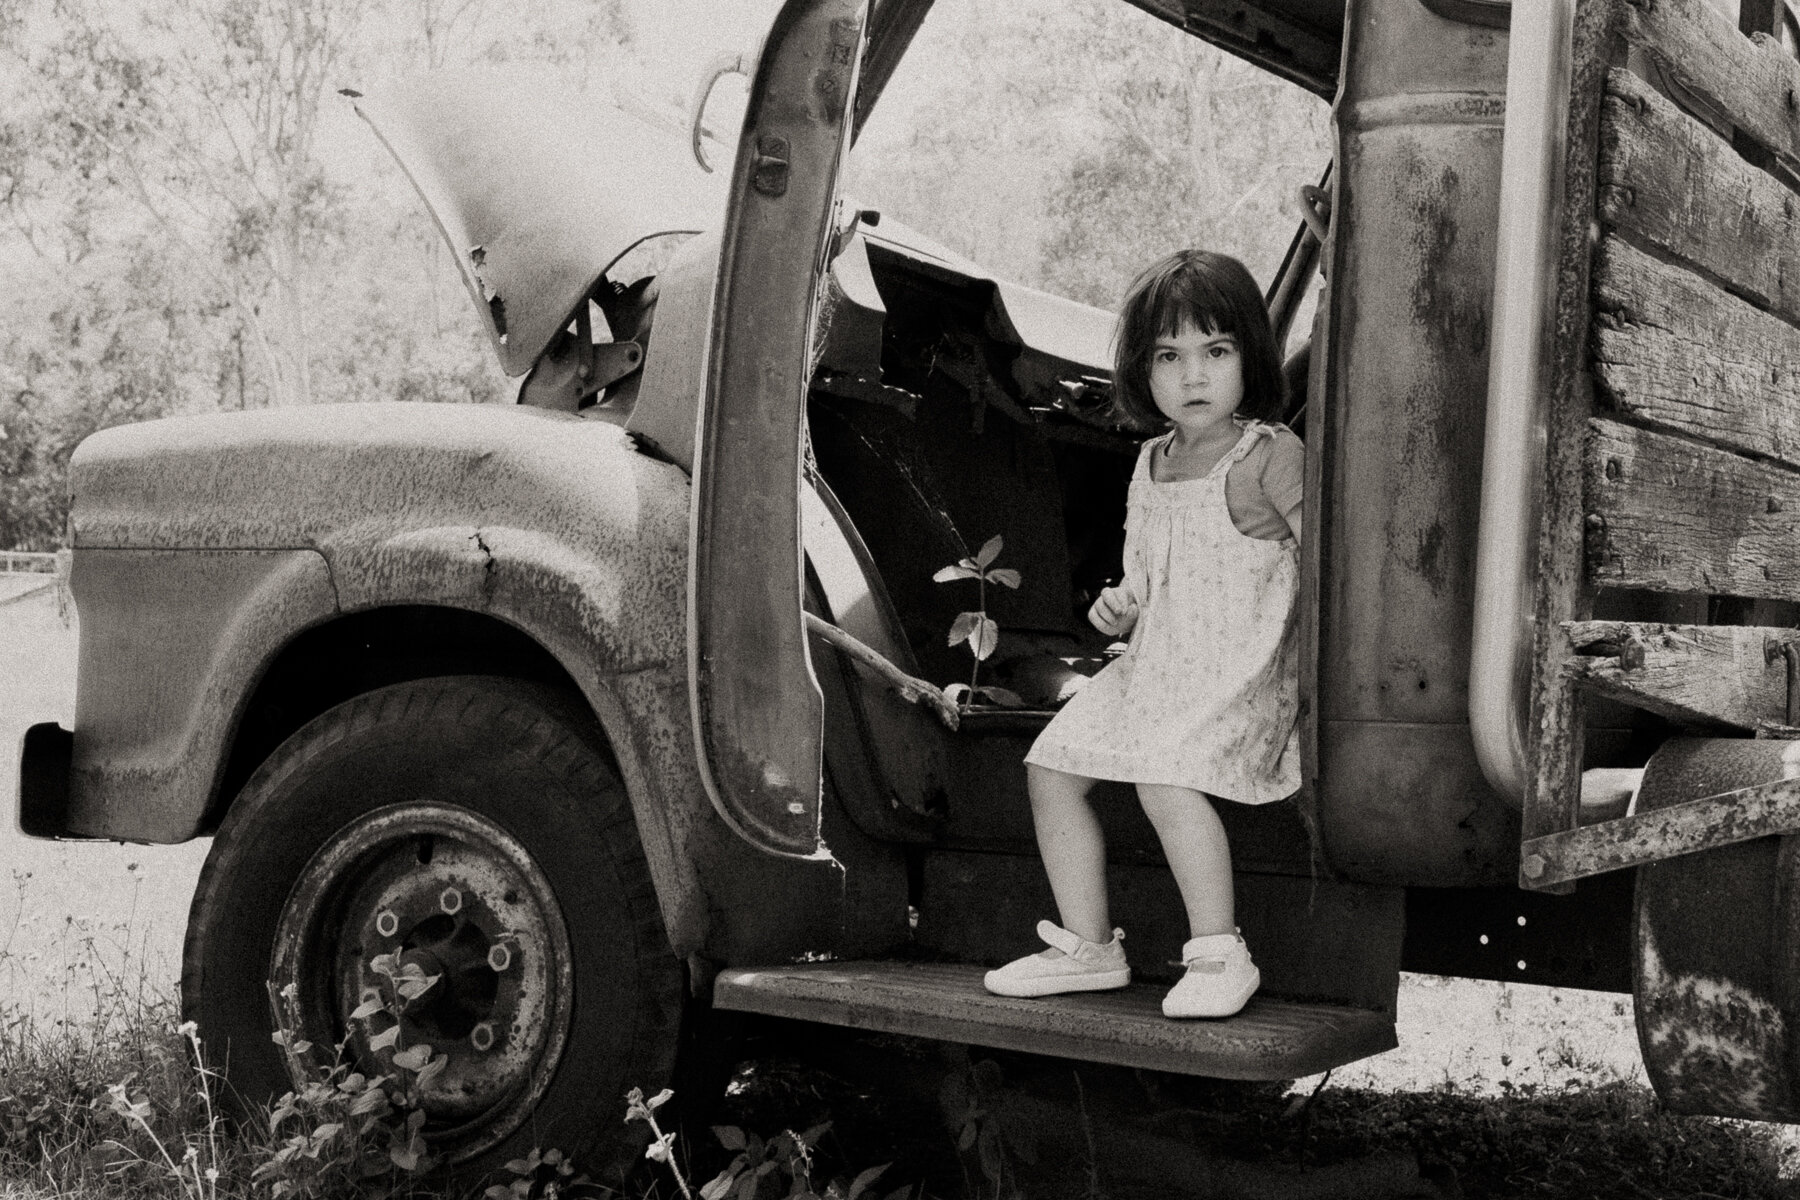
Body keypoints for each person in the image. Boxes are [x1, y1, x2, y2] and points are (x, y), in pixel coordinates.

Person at [983, 248, 1303, 1019]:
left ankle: (1221, 953)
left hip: (1242, 669)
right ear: (1142, 370)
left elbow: (1327, 568)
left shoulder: (1269, 456)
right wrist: (1119, 608)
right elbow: (1144, 577)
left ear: (1247, 359)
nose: (1194, 377)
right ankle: (1090, 946)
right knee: (1050, 768)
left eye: (1216, 352)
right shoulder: (1148, 462)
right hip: (1158, 663)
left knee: (1166, 772)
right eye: (1170, 356)